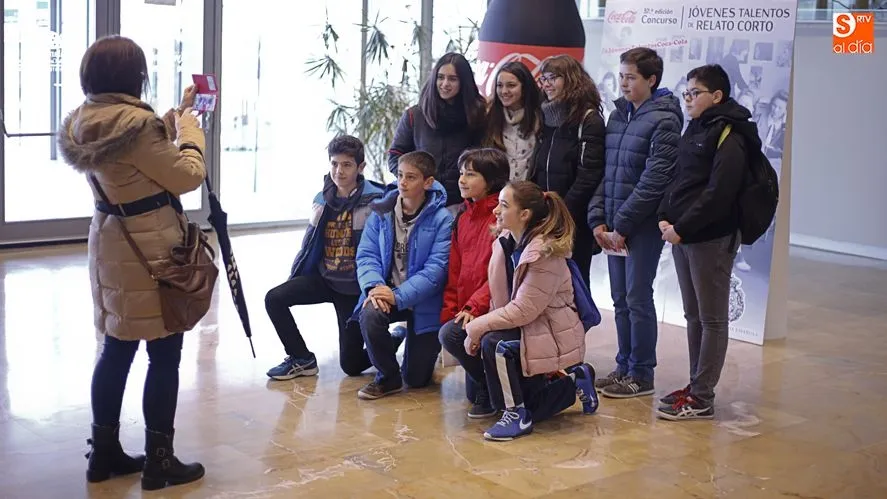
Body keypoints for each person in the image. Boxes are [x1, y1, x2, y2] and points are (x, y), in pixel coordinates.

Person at [57, 35, 205, 490]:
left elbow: (133, 160)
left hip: (111, 242)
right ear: (133, 76)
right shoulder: (137, 127)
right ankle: (160, 460)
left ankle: (103, 456)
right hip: (151, 247)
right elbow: (186, 176)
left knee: (117, 346)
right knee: (164, 351)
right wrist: (190, 134)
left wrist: (171, 120)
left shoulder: (86, 120)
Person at [656, 64, 761, 420]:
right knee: (693, 315)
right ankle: (695, 385)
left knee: (713, 318)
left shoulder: (731, 134)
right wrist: (664, 215)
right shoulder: (696, 128)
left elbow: (719, 193)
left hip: (710, 238)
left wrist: (682, 228)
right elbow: (681, 178)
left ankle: (702, 396)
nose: (687, 99)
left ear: (716, 96)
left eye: (694, 93)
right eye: (685, 93)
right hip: (683, 236)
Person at [463, 181, 598, 441]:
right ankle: (508, 399)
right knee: (454, 334)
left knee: (496, 343)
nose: (495, 211)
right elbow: (500, 297)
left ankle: (517, 413)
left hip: (549, 330)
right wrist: (475, 323)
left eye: (504, 205)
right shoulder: (507, 241)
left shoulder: (544, 252)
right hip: (527, 324)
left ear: (524, 214)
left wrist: (479, 326)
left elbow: (524, 310)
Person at [588, 47, 683, 399]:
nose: (624, 83)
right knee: (619, 298)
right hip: (614, 226)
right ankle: (623, 365)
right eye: (622, 76)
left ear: (651, 80)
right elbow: (606, 174)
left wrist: (622, 225)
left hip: (639, 227)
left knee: (637, 296)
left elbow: (654, 181)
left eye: (631, 77)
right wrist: (598, 220)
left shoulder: (665, 120)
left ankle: (642, 373)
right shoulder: (618, 116)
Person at [264, 135, 387, 381]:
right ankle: (301, 358)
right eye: (334, 164)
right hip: (324, 279)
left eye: (347, 165)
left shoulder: (376, 201)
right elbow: (309, 244)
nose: (338, 171)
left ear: (360, 168)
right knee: (274, 298)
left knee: (351, 366)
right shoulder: (321, 199)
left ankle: (390, 342)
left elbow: (383, 249)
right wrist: (295, 275)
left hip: (354, 288)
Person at [353, 151, 454, 399]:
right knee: (369, 314)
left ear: (428, 182)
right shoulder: (381, 211)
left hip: (423, 302)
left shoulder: (443, 219)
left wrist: (397, 296)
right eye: (399, 175)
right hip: (386, 293)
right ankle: (388, 377)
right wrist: (375, 287)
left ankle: (404, 339)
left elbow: (435, 272)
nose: (402, 183)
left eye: (411, 177)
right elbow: (367, 255)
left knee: (417, 380)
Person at [438, 148, 511, 418]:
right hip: (470, 306)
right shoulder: (463, 216)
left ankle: (494, 386)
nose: (462, 180)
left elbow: (500, 275)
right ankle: (489, 384)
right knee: (472, 392)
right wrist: (452, 309)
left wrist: (473, 306)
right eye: (461, 173)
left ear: (491, 180)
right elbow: (455, 271)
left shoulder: (501, 218)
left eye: (471, 174)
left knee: (451, 335)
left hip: (491, 305)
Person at [531, 54, 606, 293]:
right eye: (545, 78)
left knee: (574, 285)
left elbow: (589, 175)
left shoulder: (588, 119)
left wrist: (562, 212)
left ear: (572, 80)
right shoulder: (545, 117)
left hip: (574, 220)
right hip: (546, 216)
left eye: (554, 78)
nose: (548, 84)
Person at [388, 52, 487, 214]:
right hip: (420, 201)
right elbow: (395, 155)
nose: (445, 84)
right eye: (440, 77)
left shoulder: (477, 115)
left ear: (464, 82)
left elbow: (484, 161)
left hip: (463, 204)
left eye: (452, 79)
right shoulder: (415, 115)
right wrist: (413, 180)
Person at [482, 61, 543, 182]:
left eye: (511, 85)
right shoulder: (488, 117)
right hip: (498, 194)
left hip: (530, 193)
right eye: (499, 85)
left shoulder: (541, 117)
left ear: (525, 87)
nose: (504, 91)